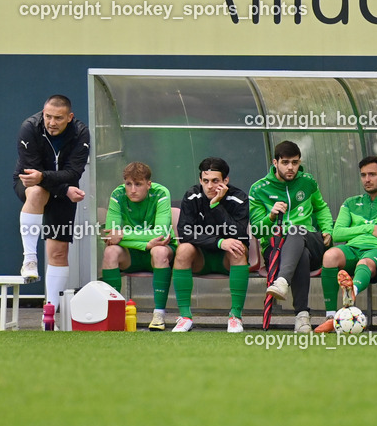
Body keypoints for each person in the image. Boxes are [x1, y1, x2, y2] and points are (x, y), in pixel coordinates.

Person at [14, 95, 90, 323]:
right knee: (38, 191)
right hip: (31, 182)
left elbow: (73, 172)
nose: (51, 122)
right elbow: (32, 173)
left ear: (70, 117)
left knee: (58, 253)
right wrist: (64, 189)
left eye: (58, 118)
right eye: (48, 116)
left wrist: (63, 187)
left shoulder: (81, 133)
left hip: (63, 187)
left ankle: (49, 316)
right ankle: (29, 259)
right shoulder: (29, 127)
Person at [249, 141, 334, 333]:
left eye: (295, 162)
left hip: (312, 243)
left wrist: (328, 229)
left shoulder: (308, 182)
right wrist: (271, 216)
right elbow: (257, 231)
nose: (291, 167)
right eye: (285, 162)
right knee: (300, 254)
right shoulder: (259, 189)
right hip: (276, 250)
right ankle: (302, 316)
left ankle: (282, 282)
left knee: (295, 231)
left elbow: (321, 208)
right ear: (275, 162)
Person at [314, 156, 377, 333]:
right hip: (352, 249)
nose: (367, 179)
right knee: (330, 255)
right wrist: (370, 228)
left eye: (372, 174)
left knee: (364, 262)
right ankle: (330, 317)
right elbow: (338, 233)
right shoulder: (350, 203)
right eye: (363, 175)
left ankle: (351, 291)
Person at [170, 157, 250, 333]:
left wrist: (216, 205)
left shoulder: (239, 198)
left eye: (215, 181)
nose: (209, 186)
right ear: (200, 180)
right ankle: (185, 317)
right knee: (183, 249)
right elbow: (184, 233)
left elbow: (239, 233)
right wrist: (219, 242)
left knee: (238, 248)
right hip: (201, 259)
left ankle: (235, 316)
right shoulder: (192, 196)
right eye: (205, 181)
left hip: (227, 260)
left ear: (225, 181)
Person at [100, 162, 174, 331]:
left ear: (148, 184)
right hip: (132, 253)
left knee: (159, 250)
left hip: (158, 251)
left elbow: (161, 234)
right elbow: (111, 236)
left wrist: (123, 235)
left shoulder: (161, 193)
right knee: (110, 251)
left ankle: (159, 314)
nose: (132, 190)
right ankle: (113, 314)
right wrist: (145, 244)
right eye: (128, 184)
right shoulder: (117, 194)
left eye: (138, 184)